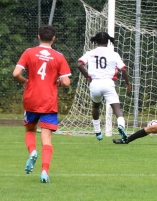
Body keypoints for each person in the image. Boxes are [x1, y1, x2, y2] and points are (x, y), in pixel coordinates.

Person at [12, 25, 71, 183]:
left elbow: (16, 73)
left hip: (31, 98)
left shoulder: (29, 52)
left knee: (30, 130)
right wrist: (58, 82)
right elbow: (66, 81)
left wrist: (26, 81)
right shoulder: (58, 56)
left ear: (38, 37)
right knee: (47, 139)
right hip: (48, 100)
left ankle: (32, 151)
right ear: (53, 39)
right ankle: (44, 171)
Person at [77, 32, 131, 142]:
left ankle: (97, 131)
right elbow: (123, 69)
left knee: (96, 106)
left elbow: (79, 64)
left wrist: (87, 76)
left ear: (96, 41)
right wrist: (127, 84)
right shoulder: (114, 54)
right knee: (117, 109)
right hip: (108, 83)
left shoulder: (90, 53)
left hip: (95, 83)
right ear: (108, 41)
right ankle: (121, 126)